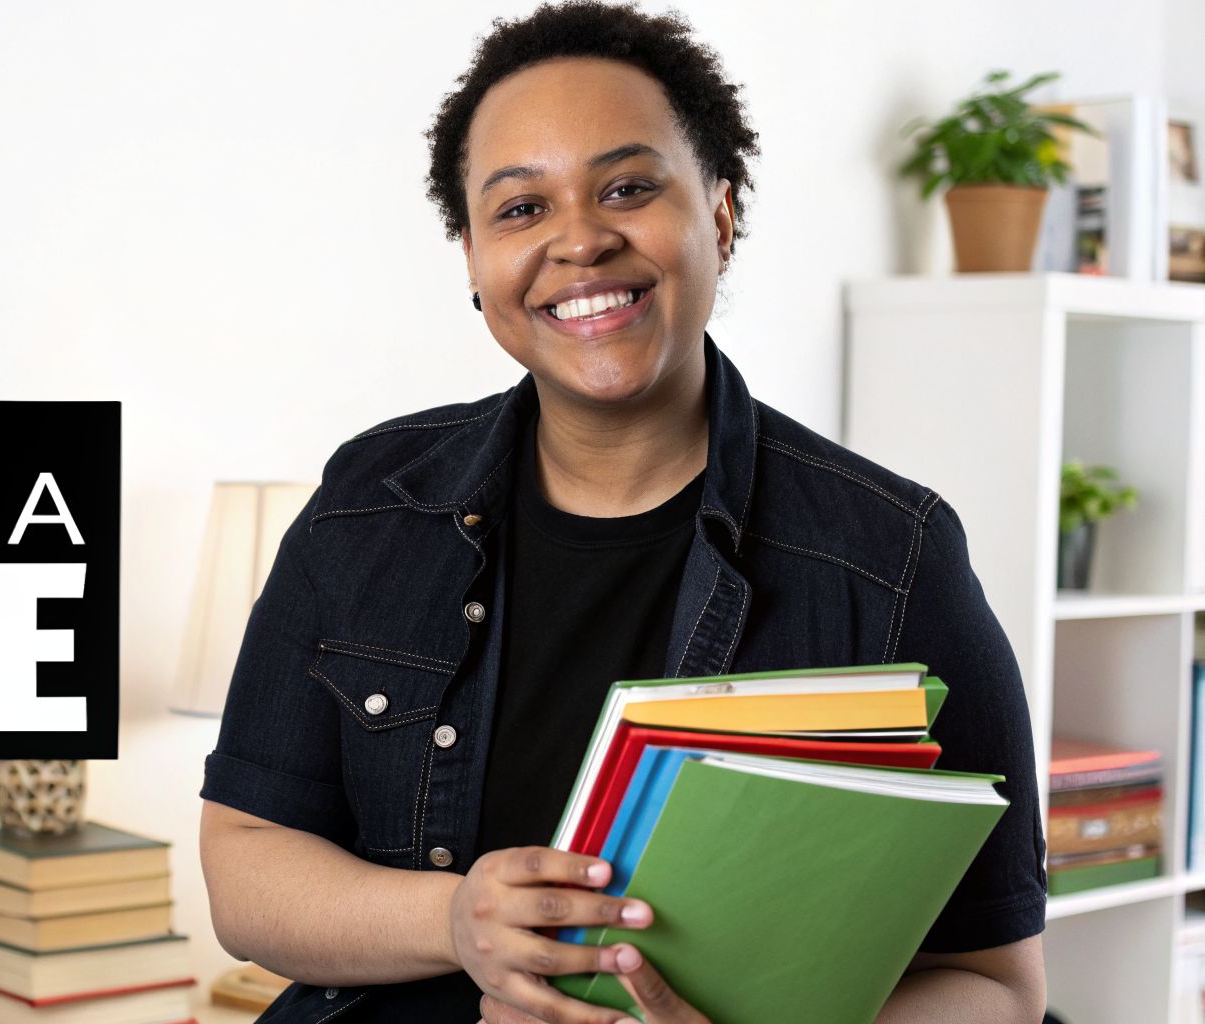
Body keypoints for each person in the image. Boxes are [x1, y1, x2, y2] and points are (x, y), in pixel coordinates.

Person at [197, 3, 1048, 1022]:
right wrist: (453, 919)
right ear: (470, 258)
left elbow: (995, 986)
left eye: (628, 188)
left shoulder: (891, 556)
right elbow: (243, 870)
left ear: (720, 215)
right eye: (518, 209)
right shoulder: (368, 506)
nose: (579, 241)